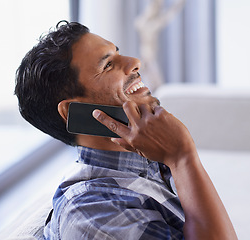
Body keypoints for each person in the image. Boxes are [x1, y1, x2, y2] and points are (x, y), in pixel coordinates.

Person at [15, 21, 237, 240]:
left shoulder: (150, 159)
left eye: (117, 53)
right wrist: (183, 157)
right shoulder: (92, 215)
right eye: (108, 65)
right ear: (73, 111)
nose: (135, 62)